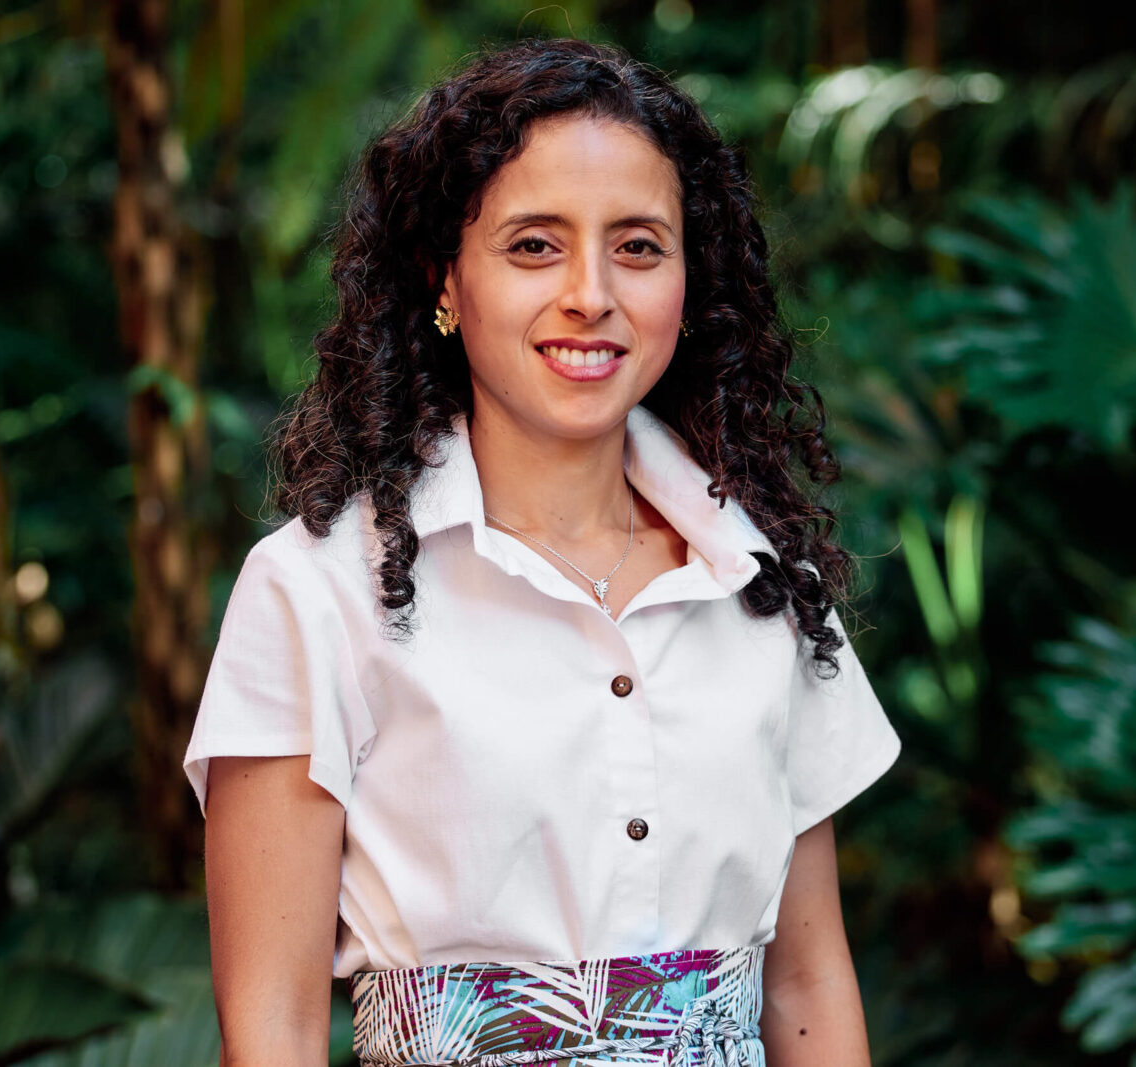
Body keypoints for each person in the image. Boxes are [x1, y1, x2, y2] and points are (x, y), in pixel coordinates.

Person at [183, 36, 901, 1067]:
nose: (590, 293)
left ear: (688, 281)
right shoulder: (315, 591)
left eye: (639, 246)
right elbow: (274, 1031)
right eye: (534, 245)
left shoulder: (762, 582)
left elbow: (808, 986)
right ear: (444, 279)